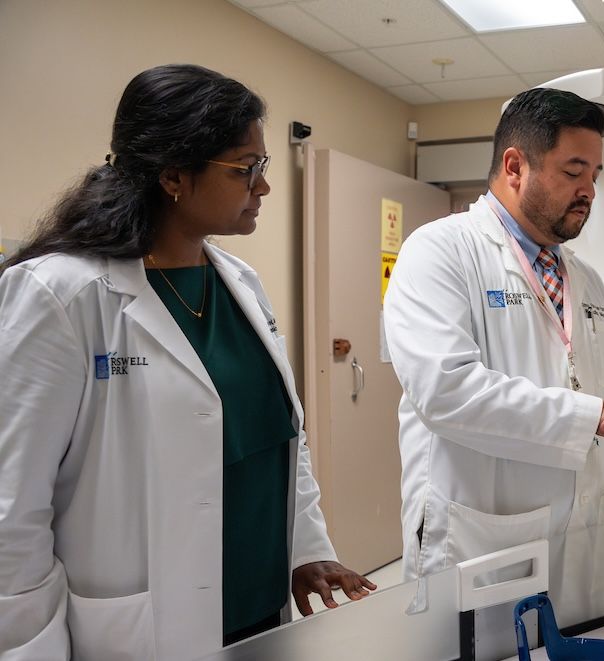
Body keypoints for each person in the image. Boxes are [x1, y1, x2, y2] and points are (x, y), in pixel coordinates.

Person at [0, 64, 375, 660]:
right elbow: (12, 509)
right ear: (174, 175)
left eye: (263, 166)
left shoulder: (239, 283)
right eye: (244, 168)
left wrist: (306, 548)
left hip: (263, 614)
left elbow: (283, 442)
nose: (263, 187)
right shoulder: (60, 295)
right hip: (144, 632)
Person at [383, 87, 604, 624]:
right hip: (482, 542)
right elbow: (446, 392)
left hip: (579, 543)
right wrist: (598, 415)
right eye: (574, 171)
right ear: (514, 166)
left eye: (595, 174)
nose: (589, 190)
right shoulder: (439, 252)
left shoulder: (585, 279)